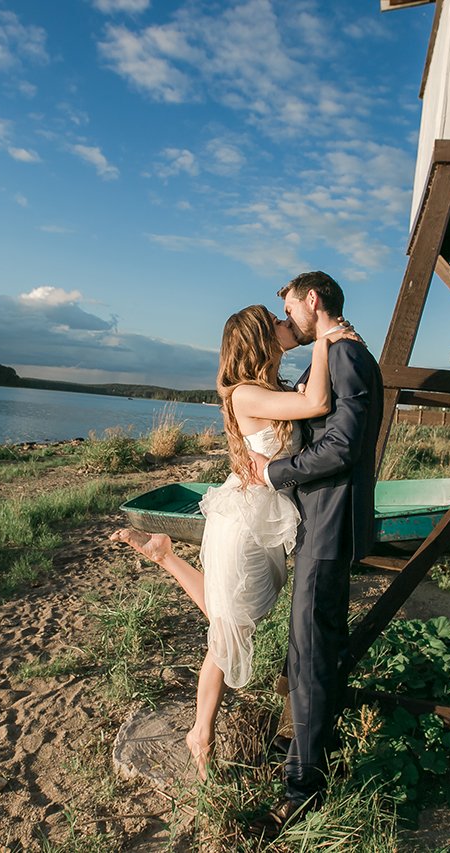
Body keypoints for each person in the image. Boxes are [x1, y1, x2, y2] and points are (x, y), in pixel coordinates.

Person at [109, 303, 360, 780]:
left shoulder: (268, 388)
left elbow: (305, 404)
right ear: (262, 341)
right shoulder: (245, 393)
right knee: (226, 631)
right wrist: (326, 342)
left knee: (229, 618)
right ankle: (199, 734)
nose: (290, 328)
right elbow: (317, 406)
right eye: (280, 325)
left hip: (259, 519)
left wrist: (317, 358)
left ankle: (164, 555)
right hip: (243, 527)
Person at [248, 271, 383, 830]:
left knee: (312, 654)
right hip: (320, 523)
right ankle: (302, 756)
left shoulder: (346, 355)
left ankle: (304, 787)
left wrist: (276, 471)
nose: (290, 321)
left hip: (329, 527)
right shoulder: (335, 351)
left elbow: (342, 445)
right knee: (310, 647)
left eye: (290, 310)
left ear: (311, 300)